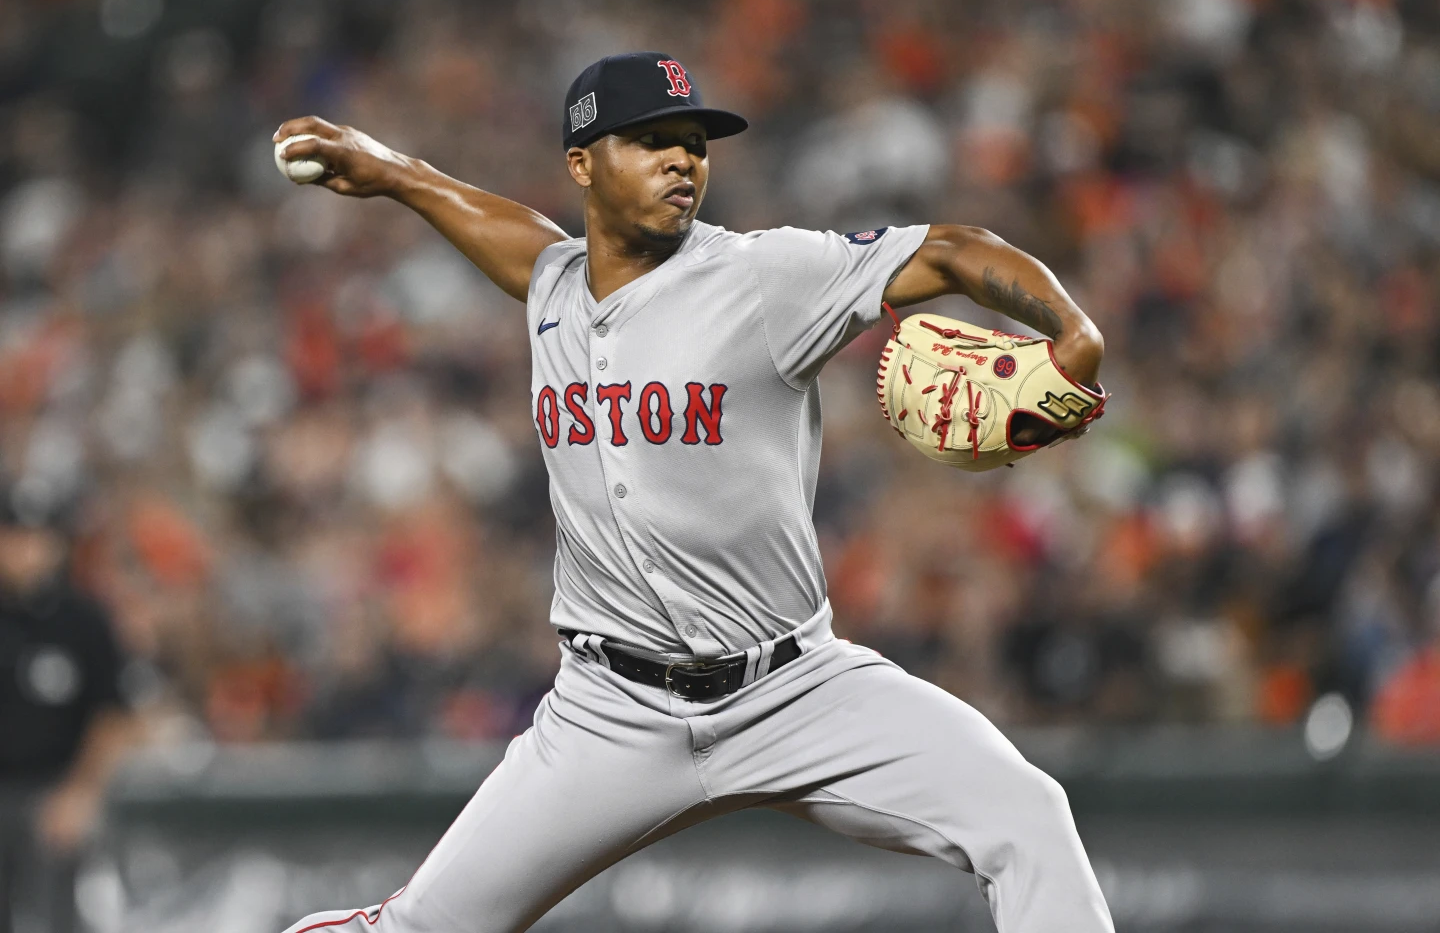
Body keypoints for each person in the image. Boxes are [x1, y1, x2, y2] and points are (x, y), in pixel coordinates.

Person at [275, 52, 1112, 933]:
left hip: (796, 689)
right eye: (651, 141)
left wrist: (1071, 329)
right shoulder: (554, 286)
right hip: (609, 713)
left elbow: (950, 249)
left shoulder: (765, 276)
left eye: (695, 144)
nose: (683, 160)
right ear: (582, 163)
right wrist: (393, 172)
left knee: (1026, 814)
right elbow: (512, 234)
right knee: (414, 929)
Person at [0, 486, 137, 933]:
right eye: (13, 536)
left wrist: (82, 793)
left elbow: (114, 715)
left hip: (55, 791)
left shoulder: (82, 618)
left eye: (36, 537)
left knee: (56, 920)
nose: (25, 550)